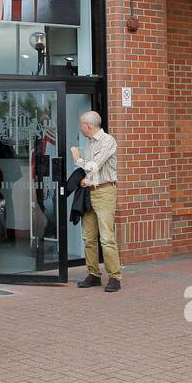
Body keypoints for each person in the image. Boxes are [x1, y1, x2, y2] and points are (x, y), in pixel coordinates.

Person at [72, 110, 120, 292]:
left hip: (105, 192)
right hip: (89, 192)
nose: (80, 128)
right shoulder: (90, 142)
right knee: (88, 237)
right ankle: (93, 274)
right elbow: (90, 172)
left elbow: (93, 166)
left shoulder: (108, 141)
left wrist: (78, 159)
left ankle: (115, 277)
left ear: (88, 126)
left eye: (81, 125)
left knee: (107, 237)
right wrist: (84, 180)